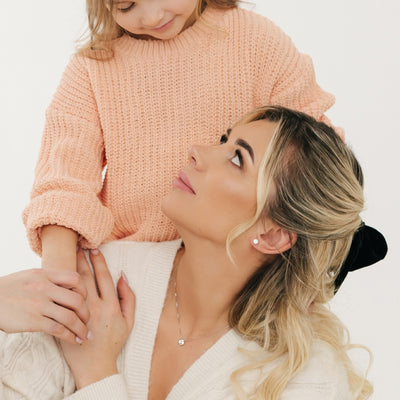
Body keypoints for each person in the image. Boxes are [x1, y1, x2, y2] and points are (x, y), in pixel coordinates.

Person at [1, 106, 382, 399]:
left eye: (237, 158)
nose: (198, 152)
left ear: (272, 235)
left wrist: (97, 373)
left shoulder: (305, 376)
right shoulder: (107, 279)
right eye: (223, 140)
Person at [21, 0, 342, 342]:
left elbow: (313, 158)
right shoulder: (92, 68)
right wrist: (60, 281)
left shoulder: (256, 40)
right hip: (125, 286)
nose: (152, 17)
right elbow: (64, 179)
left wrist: (310, 271)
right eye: (126, 6)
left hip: (237, 282)